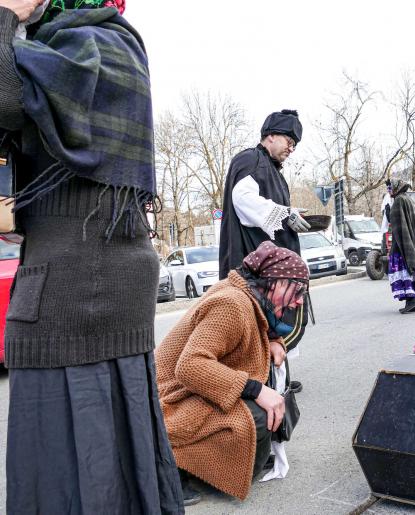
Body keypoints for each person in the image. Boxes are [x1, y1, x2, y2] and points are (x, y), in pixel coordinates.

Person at [0, 1, 184, 513]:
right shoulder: (89, 47)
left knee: (70, 480)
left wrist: (6, 14)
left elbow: (5, 95)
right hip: (93, 282)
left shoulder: (95, 42)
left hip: (72, 294)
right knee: (118, 473)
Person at [155, 241, 308, 504]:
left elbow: (259, 326)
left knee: (264, 406)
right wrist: (256, 389)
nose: (299, 299)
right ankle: (172, 463)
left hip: (192, 389)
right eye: (297, 289)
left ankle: (222, 457)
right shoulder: (231, 304)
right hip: (170, 400)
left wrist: (274, 340)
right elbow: (190, 366)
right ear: (273, 282)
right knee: (257, 417)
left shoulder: (248, 294)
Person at [219, 109, 309, 279]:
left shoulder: (274, 172)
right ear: (271, 135)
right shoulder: (251, 159)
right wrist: (285, 214)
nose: (291, 149)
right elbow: (243, 199)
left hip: (273, 274)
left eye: (294, 145)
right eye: (289, 142)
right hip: (257, 277)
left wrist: (291, 216)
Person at [388, 179, 415, 313]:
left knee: (405, 270)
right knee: (407, 270)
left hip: (402, 243)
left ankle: (412, 301)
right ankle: (412, 303)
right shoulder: (407, 198)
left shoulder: (399, 200)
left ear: (396, 187)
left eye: (390, 187)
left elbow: (400, 226)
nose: (389, 190)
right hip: (408, 240)